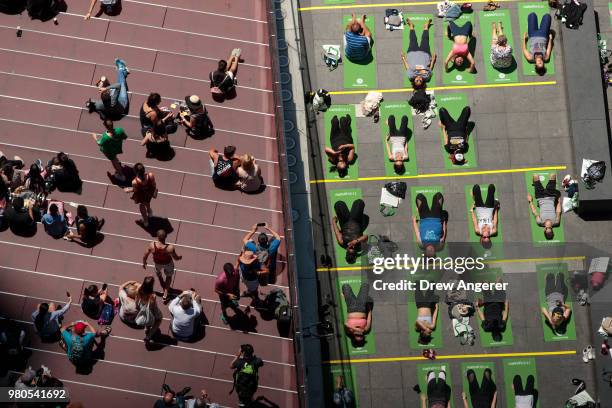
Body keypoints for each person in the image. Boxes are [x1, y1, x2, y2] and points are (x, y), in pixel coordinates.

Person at [143, 229, 182, 302]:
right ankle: (166, 293)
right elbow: (176, 258)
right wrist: (179, 257)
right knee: (169, 276)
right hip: (168, 264)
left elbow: (145, 255)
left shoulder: (152, 245)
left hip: (157, 263)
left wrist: (144, 262)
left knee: (158, 273)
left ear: (157, 237)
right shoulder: (170, 248)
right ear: (166, 236)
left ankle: (159, 276)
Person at [401, 18, 436, 90]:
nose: (419, 79)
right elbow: (430, 68)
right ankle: (426, 27)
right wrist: (433, 59)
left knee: (413, 39)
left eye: (417, 81)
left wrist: (403, 58)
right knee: (425, 40)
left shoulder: (411, 76)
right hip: (425, 54)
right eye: (420, 81)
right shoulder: (426, 77)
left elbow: (407, 67)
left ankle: (411, 26)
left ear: (414, 81)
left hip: (412, 53)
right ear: (423, 81)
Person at [332, 199, 368, 264]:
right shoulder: (360, 247)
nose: (352, 247)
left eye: (350, 248)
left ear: (347, 251)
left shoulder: (342, 243)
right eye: (353, 249)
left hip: (345, 222)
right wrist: (356, 241)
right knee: (359, 202)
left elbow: (337, 232)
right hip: (356, 221)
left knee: (338, 204)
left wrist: (334, 222)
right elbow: (366, 237)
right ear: (356, 252)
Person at [527, 173, 561, 240]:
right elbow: (558, 211)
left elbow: (534, 212)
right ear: (552, 229)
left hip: (540, 196)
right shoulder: (556, 222)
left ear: (544, 229)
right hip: (551, 196)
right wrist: (559, 201)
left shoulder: (540, 222)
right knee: (553, 175)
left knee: (535, 176)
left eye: (547, 228)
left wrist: (530, 201)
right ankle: (548, 185)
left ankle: (534, 183)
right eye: (550, 228)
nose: (548, 226)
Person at [412, 192, 447, 257]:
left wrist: (414, 221)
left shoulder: (421, 245)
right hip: (436, 217)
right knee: (438, 196)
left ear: (425, 252)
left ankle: (419, 209)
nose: (430, 250)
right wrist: (444, 222)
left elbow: (417, 232)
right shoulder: (439, 246)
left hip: (424, 218)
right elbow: (443, 234)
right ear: (434, 253)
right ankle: (439, 208)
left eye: (428, 252)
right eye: (432, 252)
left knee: (419, 197)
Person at [124, 163, 157, 227]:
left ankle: (146, 221)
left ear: (135, 172)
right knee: (147, 202)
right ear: (144, 170)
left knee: (142, 206)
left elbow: (136, 190)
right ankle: (149, 211)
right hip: (149, 194)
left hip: (141, 196)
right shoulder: (150, 175)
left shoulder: (134, 182)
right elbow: (154, 185)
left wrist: (129, 190)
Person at [342, 281, 372, 348]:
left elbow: (345, 324)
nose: (359, 334)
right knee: (365, 285)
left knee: (345, 286)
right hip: (362, 307)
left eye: (357, 336)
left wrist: (355, 329)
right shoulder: (366, 329)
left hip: (351, 307)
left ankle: (345, 295)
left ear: (353, 337)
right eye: (361, 336)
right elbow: (369, 320)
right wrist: (369, 310)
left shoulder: (349, 331)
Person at [470, 184, 499, 249]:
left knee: (476, 187)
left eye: (484, 237)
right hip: (489, 208)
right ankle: (495, 201)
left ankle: (474, 198)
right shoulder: (493, 231)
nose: (486, 235)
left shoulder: (478, 230)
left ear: (482, 238)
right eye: (488, 237)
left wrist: (472, 211)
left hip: (479, 208)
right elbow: (495, 221)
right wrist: (496, 208)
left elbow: (474, 221)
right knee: (491, 187)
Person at [135, 276, 163, 343]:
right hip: (150, 309)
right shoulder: (152, 295)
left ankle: (147, 328)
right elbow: (154, 307)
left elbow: (136, 299)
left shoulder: (139, 289)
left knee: (146, 318)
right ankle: (148, 336)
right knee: (159, 319)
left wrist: (137, 307)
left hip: (141, 306)